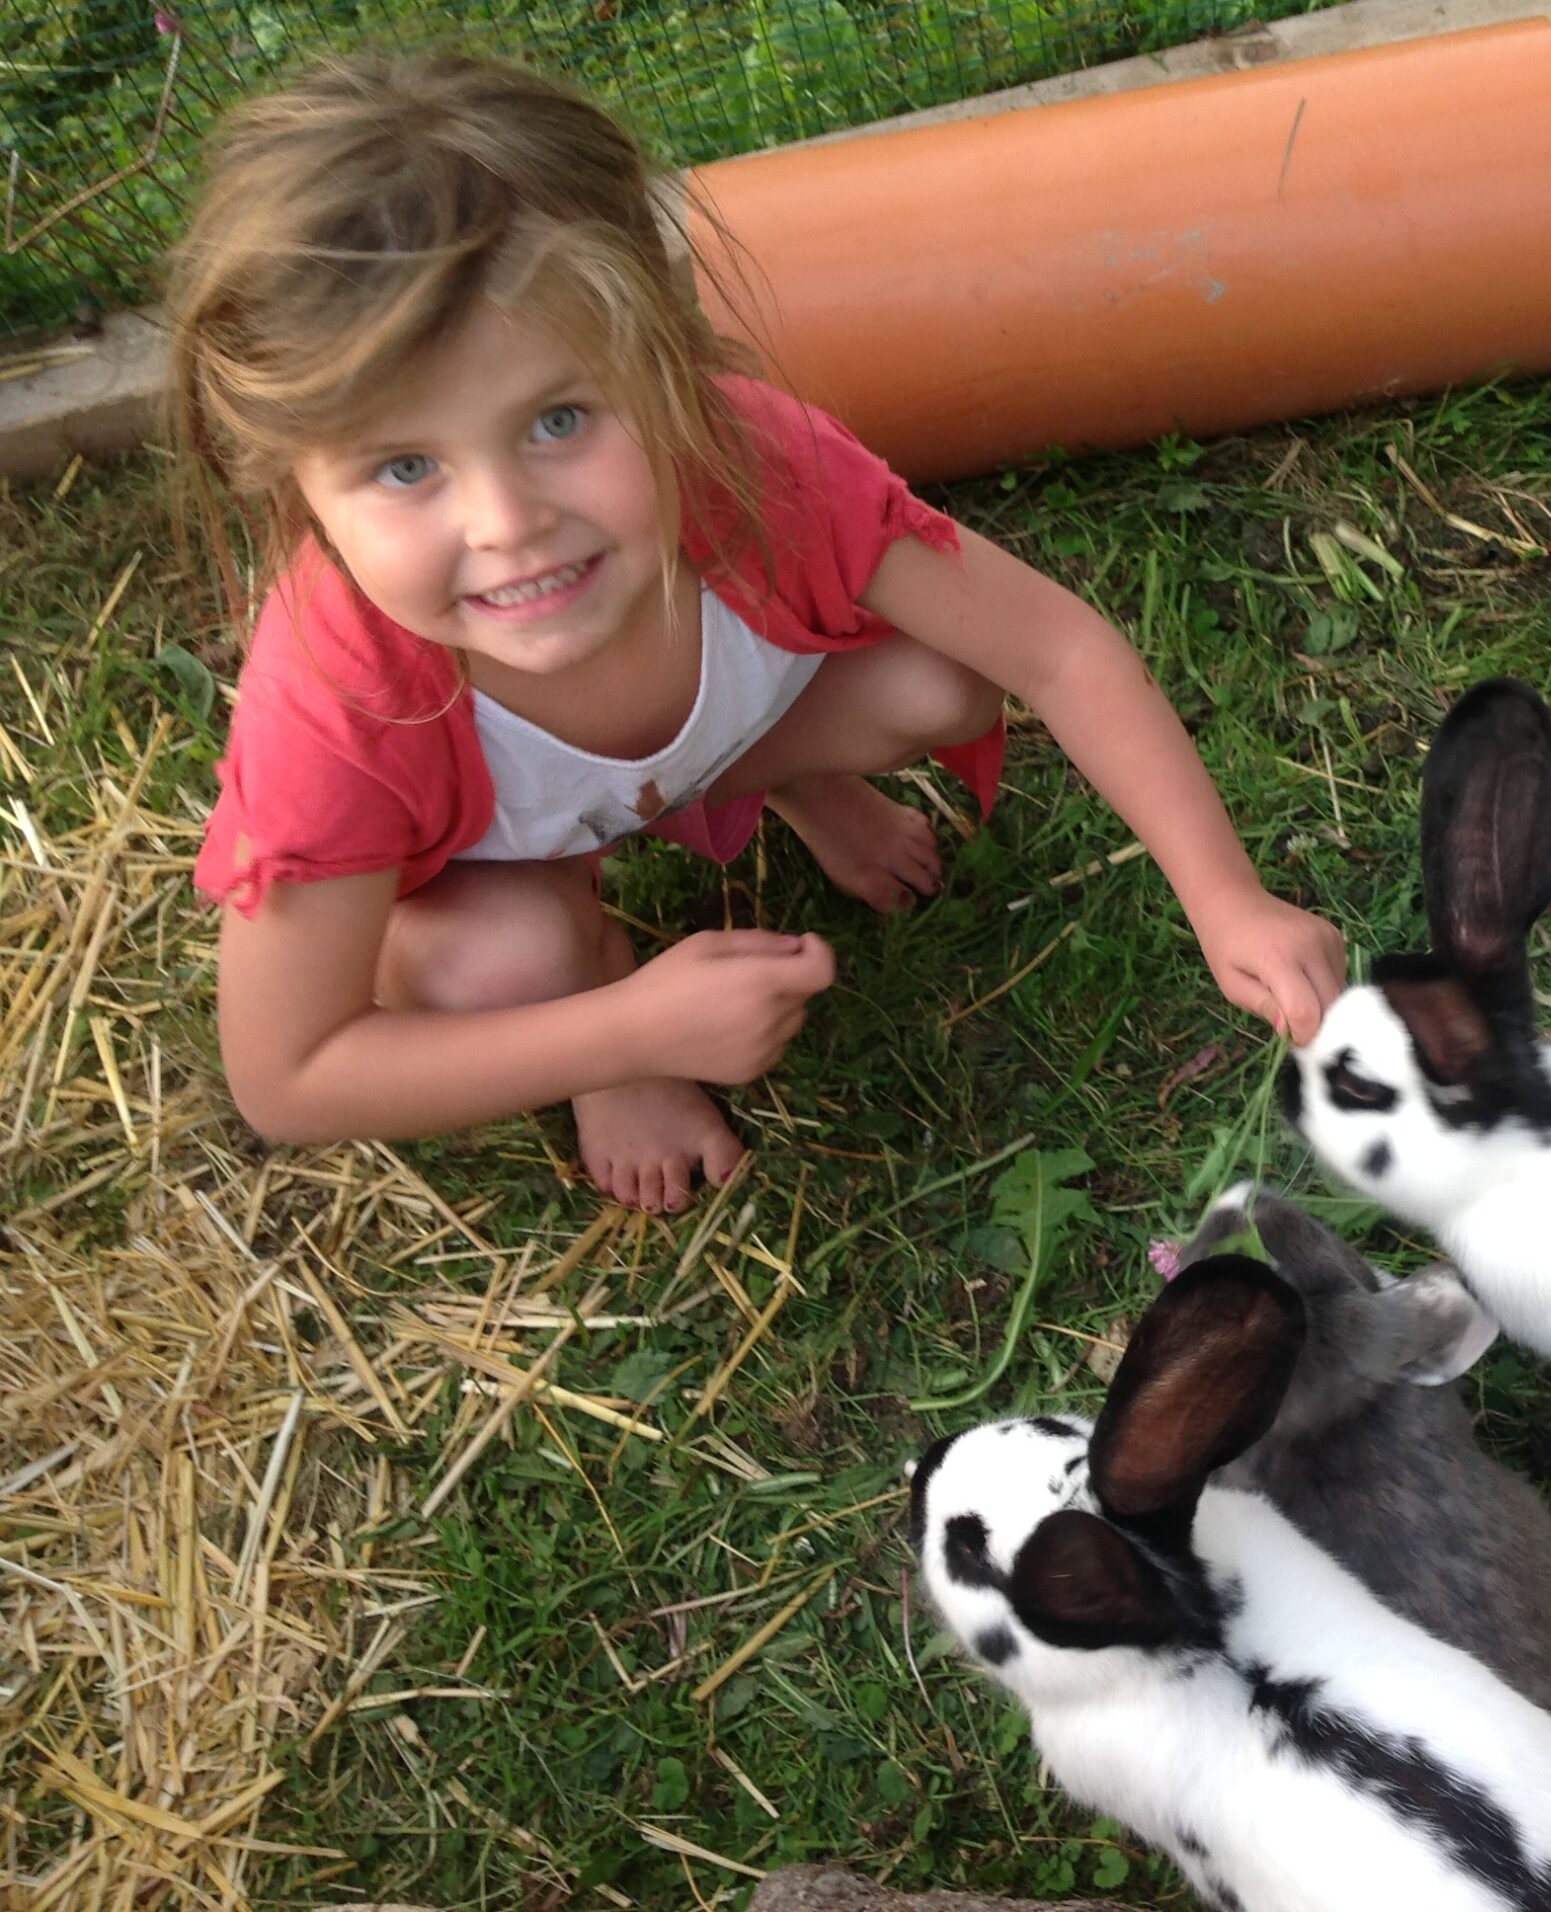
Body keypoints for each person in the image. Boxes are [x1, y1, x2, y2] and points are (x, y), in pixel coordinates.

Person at [173, 51, 1344, 1214]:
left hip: (709, 742)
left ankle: (769, 784)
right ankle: (595, 1015)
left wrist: (1228, 899)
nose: (506, 523)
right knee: (508, 961)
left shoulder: (758, 462)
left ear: (667, 361)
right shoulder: (336, 696)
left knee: (940, 685)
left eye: (560, 419)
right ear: (293, 486)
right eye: (404, 468)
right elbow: (286, 1076)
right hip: (494, 873)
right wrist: (627, 1034)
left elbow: (1055, 649)